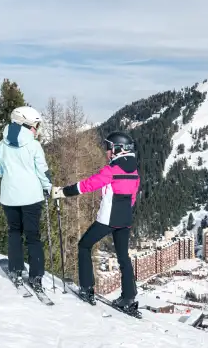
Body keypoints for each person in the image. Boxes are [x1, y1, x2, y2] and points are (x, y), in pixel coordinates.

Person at [51, 131, 140, 309]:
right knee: (123, 257)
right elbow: (133, 197)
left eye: (109, 148)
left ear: (118, 149)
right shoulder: (135, 171)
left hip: (107, 219)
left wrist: (63, 192)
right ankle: (128, 298)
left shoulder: (111, 170)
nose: (106, 152)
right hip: (125, 219)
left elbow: (87, 185)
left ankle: (87, 288)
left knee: (84, 245)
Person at [0, 106, 52, 292]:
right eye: (35, 126)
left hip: (9, 197)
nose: (37, 130)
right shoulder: (34, 145)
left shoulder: (1, 145)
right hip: (31, 197)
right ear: (25, 124)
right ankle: (36, 277)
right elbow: (41, 171)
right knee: (33, 237)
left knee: (14, 233)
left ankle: (16, 269)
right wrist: (48, 187)